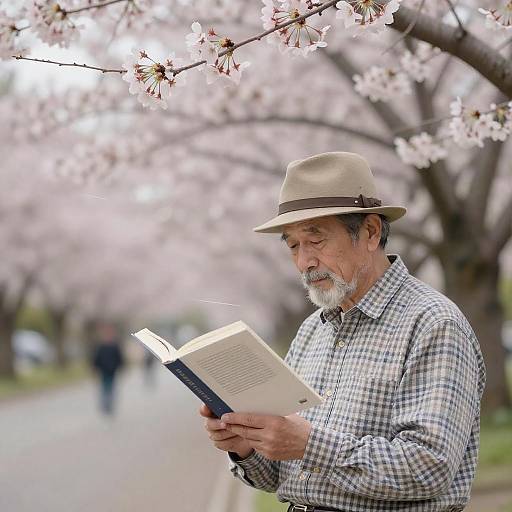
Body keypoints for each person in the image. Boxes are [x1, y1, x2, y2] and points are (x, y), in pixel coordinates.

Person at [200, 152, 486, 512]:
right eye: (293, 245)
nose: (305, 262)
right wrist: (244, 444)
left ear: (370, 232)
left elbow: (430, 467)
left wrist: (310, 444)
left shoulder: (433, 323)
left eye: (316, 240)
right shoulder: (310, 332)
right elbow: (284, 475)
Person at [92, 322, 125, 415]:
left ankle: (109, 404)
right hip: (103, 370)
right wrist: (95, 367)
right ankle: (105, 404)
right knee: (104, 387)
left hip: (112, 370)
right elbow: (96, 358)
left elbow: (119, 358)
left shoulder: (115, 346)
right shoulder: (101, 346)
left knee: (111, 387)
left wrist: (121, 366)